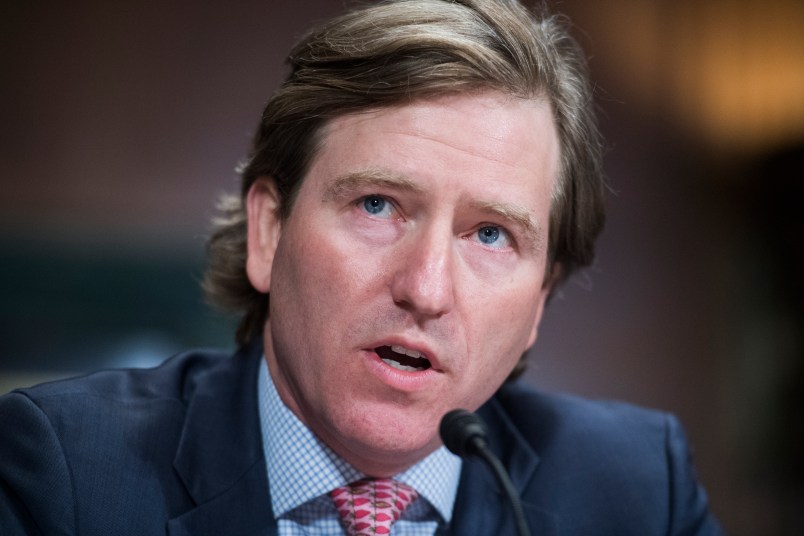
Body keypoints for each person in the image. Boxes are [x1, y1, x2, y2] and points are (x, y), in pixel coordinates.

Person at [0, 0, 722, 534]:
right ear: (269, 231)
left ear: (540, 302)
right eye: (378, 205)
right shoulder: (65, 474)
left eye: (492, 235)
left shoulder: (636, 491)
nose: (427, 289)